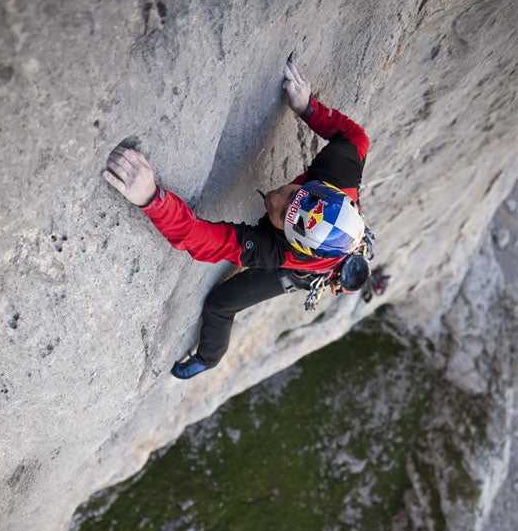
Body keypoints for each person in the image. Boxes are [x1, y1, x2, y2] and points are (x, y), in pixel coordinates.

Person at [103, 60, 373, 379]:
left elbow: (198, 239)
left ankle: (209, 358)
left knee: (221, 303)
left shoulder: (280, 252)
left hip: (303, 270)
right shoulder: (338, 172)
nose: (274, 198)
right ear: (323, 187)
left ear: (291, 239)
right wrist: (309, 108)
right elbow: (355, 137)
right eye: (292, 194)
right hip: (329, 238)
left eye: (282, 214)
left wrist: (151, 198)